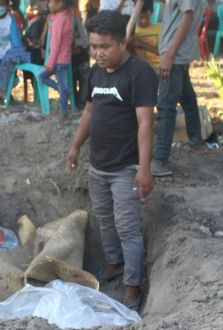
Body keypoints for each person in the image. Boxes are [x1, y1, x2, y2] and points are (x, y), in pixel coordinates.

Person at [67, 10, 158, 310]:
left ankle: (132, 286)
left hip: (125, 168)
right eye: (94, 47)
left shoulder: (139, 74)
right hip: (98, 166)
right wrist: (76, 146)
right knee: (105, 219)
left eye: (104, 47)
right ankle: (114, 265)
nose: (98, 53)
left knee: (128, 227)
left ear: (123, 43)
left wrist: (144, 169)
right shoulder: (94, 73)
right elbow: (90, 113)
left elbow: (145, 123)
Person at [150, 0, 205, 177]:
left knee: (166, 106)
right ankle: (196, 140)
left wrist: (170, 55)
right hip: (176, 55)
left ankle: (160, 160)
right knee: (187, 97)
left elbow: (187, 16)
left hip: (175, 56)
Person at [38, 0, 74, 117]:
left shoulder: (59, 21)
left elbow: (56, 44)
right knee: (58, 83)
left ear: (60, 4)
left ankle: (63, 113)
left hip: (58, 59)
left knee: (45, 77)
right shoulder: (67, 16)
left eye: (51, 2)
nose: (49, 5)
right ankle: (64, 92)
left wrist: (50, 63)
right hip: (64, 58)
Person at [0, 0, 30, 95]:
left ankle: (3, 90)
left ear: (7, 6)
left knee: (9, 62)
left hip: (9, 51)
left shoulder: (11, 19)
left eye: (2, 4)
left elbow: (16, 41)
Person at [131, 2, 161, 71]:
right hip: (140, 68)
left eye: (147, 17)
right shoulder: (133, 31)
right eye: (141, 17)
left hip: (158, 66)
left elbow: (161, 52)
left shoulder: (159, 28)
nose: (144, 20)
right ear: (135, 15)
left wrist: (141, 44)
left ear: (152, 13)